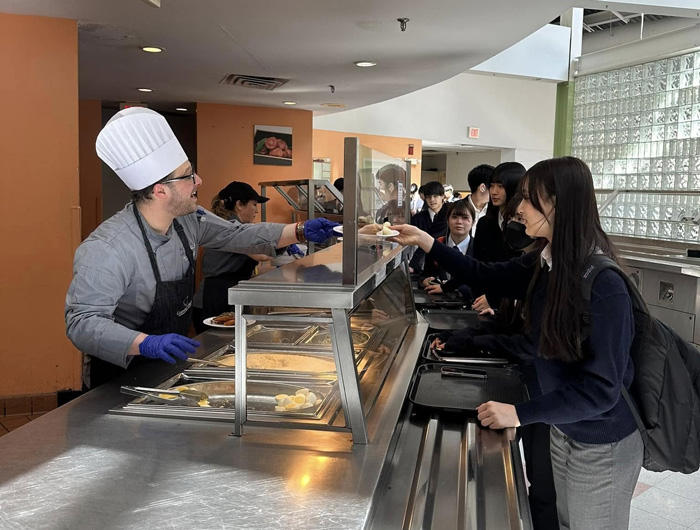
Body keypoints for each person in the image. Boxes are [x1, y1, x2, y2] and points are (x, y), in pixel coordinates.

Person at [390, 157, 642, 529]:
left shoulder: (604, 283)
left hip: (602, 441)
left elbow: (602, 389)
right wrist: (426, 241)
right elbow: (483, 273)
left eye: (529, 198)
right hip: (566, 427)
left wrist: (519, 414)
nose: (519, 208)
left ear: (559, 203)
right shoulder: (546, 262)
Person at [65, 108, 338, 388]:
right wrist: (145, 343)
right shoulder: (107, 247)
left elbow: (237, 234)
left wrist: (299, 230)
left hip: (169, 366)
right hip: (118, 376)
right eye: (188, 175)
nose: (199, 181)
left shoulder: (188, 221)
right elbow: (82, 323)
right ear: (160, 190)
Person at [192, 181, 284, 332]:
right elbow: (261, 255)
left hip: (226, 295)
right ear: (239, 204)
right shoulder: (230, 228)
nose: (256, 211)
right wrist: (288, 240)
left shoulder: (235, 226)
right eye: (254, 205)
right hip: (214, 298)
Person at [419, 199, 475, 303]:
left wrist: (450, 287)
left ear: (473, 222)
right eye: (454, 217)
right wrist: (425, 281)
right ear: (447, 220)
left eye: (465, 218)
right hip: (438, 304)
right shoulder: (436, 245)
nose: (459, 222)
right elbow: (425, 274)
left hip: (470, 305)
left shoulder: (479, 248)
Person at [408, 181, 447, 272]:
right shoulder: (418, 218)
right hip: (422, 268)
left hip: (445, 264)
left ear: (442, 196)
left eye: (435, 196)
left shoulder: (450, 216)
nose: (432, 200)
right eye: (428, 197)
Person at [466, 163, 494, 237]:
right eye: (493, 186)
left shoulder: (495, 210)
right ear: (482, 188)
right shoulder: (454, 208)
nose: (496, 191)